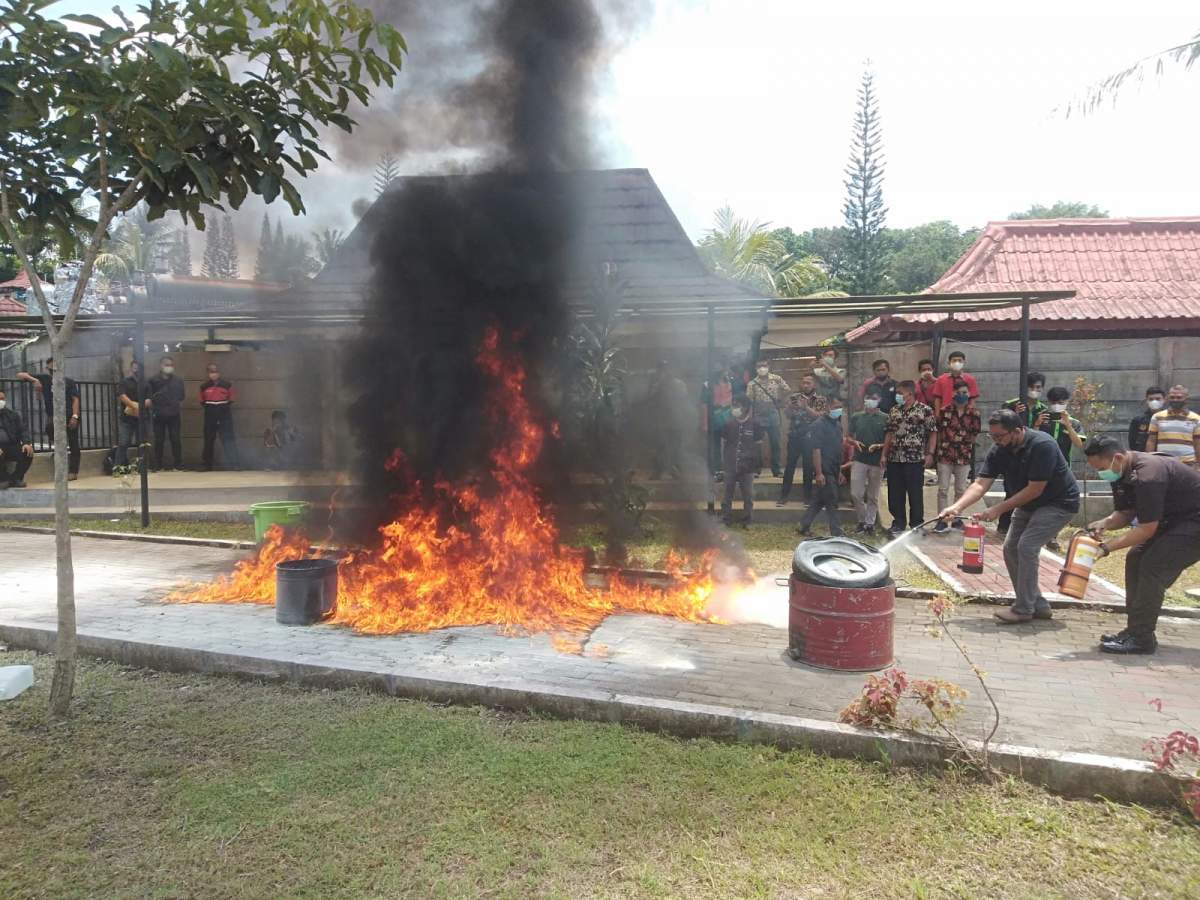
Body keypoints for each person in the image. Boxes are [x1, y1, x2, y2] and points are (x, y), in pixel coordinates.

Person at [939, 409, 1080, 624]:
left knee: (1027, 547)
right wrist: (957, 507)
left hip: (1058, 503)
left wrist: (998, 509)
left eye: (999, 436)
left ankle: (1023, 609)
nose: (995, 441)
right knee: (1010, 548)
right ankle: (1038, 605)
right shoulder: (1000, 449)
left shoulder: (1043, 445)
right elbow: (980, 484)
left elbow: (1035, 489)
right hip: (1027, 503)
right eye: (992, 436)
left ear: (1018, 431)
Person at [1084, 436, 1200, 655]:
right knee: (1135, 558)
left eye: (1100, 468)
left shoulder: (1149, 475)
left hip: (1194, 523)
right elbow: (1126, 512)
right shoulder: (1120, 471)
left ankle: (1142, 638)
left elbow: (1146, 529)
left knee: (1153, 566)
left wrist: (1106, 548)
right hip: (1174, 522)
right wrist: (1106, 523)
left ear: (1117, 457)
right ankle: (1134, 630)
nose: (1100, 473)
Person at [881, 380, 937, 536]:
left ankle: (917, 524)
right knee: (895, 493)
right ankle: (898, 523)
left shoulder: (924, 410)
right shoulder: (894, 410)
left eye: (900, 393)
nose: (897, 396)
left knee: (915, 493)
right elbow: (889, 433)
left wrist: (930, 453)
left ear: (910, 393)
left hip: (914, 458)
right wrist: (884, 454)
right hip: (895, 458)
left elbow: (932, 432)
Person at [998, 371, 1048, 536]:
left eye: (1038, 387)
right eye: (1032, 387)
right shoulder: (1010, 405)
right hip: (1012, 454)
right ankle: (1004, 526)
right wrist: (1015, 415)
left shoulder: (1044, 410)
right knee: (1011, 490)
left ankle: (1025, 527)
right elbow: (1002, 427)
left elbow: (1041, 435)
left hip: (1032, 456)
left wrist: (1037, 424)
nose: (1035, 390)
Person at [16, 359, 81, 480]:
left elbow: (75, 399)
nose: (53, 371)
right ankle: (59, 451)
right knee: (50, 429)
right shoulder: (45, 379)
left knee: (74, 443)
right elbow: (20, 375)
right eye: (51, 369)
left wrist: (75, 416)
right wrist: (34, 380)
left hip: (68, 415)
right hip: (54, 417)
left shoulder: (69, 382)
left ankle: (73, 471)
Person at [933, 378, 981, 534]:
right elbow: (938, 432)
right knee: (943, 489)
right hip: (945, 455)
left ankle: (956, 518)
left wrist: (964, 445)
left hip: (963, 456)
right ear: (953, 393)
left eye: (965, 393)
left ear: (969, 394)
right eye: (958, 392)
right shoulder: (944, 411)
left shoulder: (974, 414)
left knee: (960, 489)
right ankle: (941, 520)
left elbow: (975, 435)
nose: (961, 395)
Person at [798, 395, 846, 537]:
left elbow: (839, 448)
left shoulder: (837, 425)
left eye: (840, 408)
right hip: (824, 469)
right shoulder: (818, 425)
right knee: (832, 500)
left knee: (819, 501)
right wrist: (819, 473)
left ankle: (803, 525)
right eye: (836, 407)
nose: (838, 410)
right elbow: (816, 450)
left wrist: (840, 471)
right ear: (827, 407)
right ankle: (836, 532)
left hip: (834, 468)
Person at [778, 374, 826, 505]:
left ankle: (807, 497)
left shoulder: (820, 399)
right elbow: (788, 415)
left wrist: (805, 407)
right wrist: (790, 407)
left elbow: (819, 417)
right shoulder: (794, 397)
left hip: (811, 437)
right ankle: (783, 496)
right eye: (803, 383)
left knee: (808, 467)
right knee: (789, 466)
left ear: (814, 385)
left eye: (808, 383)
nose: (805, 385)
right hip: (795, 435)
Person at [848, 383, 888, 534]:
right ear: (864, 399)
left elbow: (891, 441)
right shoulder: (856, 417)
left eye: (874, 398)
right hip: (859, 459)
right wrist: (854, 442)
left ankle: (869, 524)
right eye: (868, 398)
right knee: (855, 494)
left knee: (873, 495)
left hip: (878, 462)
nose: (870, 400)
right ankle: (862, 520)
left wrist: (879, 446)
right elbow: (848, 437)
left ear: (880, 400)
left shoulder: (886, 418)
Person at [721, 397, 764, 526]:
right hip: (730, 465)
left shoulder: (755, 425)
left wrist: (756, 466)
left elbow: (758, 446)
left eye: (738, 405)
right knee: (727, 494)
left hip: (748, 466)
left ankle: (747, 520)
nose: (735, 408)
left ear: (746, 408)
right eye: (734, 405)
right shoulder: (728, 424)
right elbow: (723, 444)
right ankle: (726, 519)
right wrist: (724, 462)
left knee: (748, 495)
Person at [746, 360, 790, 477]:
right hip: (758, 414)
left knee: (775, 443)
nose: (762, 368)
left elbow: (787, 389)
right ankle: (756, 470)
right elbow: (749, 401)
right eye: (759, 366)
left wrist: (780, 400)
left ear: (768, 366)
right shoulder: (752, 383)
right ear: (756, 368)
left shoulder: (776, 378)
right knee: (757, 444)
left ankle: (776, 470)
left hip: (773, 412)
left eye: (764, 366)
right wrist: (750, 417)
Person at [650, 360, 690, 480]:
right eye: (661, 369)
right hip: (661, 421)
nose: (664, 371)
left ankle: (676, 472)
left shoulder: (679, 384)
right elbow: (652, 401)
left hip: (676, 420)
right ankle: (658, 471)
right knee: (660, 447)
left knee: (676, 447)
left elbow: (683, 401)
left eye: (666, 369)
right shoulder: (656, 384)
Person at [200, 361, 241, 470]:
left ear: (219, 372)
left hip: (224, 415)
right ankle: (207, 465)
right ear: (208, 373)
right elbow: (202, 401)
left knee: (228, 439)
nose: (214, 373)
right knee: (208, 440)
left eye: (215, 371)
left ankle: (235, 464)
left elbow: (231, 399)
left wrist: (222, 409)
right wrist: (212, 410)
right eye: (211, 371)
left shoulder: (227, 385)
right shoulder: (204, 386)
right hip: (209, 415)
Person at [1146, 385, 1200, 467]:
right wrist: (1149, 462)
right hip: (1163, 463)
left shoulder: (1196, 418)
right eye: (1172, 397)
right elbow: (1151, 441)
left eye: (1179, 397)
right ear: (1168, 398)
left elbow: (1197, 444)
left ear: (1186, 398)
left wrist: (1198, 464)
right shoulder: (1157, 417)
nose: (1175, 400)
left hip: (1188, 464)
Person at [148, 355, 185, 470]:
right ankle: (158, 465)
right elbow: (149, 396)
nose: (169, 367)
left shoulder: (178, 380)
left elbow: (182, 396)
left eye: (171, 365)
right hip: (158, 414)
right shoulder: (153, 380)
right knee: (159, 440)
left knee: (176, 439)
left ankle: (178, 465)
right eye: (167, 365)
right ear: (161, 365)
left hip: (174, 414)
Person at [0, 388, 34, 488]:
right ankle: (3, 479)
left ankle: (15, 479)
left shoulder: (12, 414)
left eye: (3, 398)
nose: (1, 401)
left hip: (11, 445)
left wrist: (26, 443)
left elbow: (22, 429)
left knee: (28, 453)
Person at [1042, 386, 1085, 464]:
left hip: (1064, 465)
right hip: (1042, 464)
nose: (1056, 405)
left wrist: (1068, 426)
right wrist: (1037, 424)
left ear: (1067, 401)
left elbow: (1078, 444)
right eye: (1053, 403)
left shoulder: (1074, 422)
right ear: (1049, 402)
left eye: (1060, 403)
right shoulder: (1042, 418)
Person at [116, 359, 146, 468]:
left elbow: (149, 399)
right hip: (126, 418)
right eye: (134, 367)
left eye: (138, 367)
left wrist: (140, 407)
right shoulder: (124, 382)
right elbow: (122, 396)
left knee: (142, 443)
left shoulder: (145, 383)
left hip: (141, 418)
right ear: (131, 368)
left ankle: (142, 468)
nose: (136, 369)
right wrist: (135, 406)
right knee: (123, 442)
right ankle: (118, 467)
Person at [1128, 386, 1166, 453]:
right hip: (1143, 458)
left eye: (1158, 399)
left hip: (1164, 457)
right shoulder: (1138, 420)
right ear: (1146, 401)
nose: (1154, 401)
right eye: (1151, 399)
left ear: (1164, 400)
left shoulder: (1168, 419)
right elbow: (1132, 443)